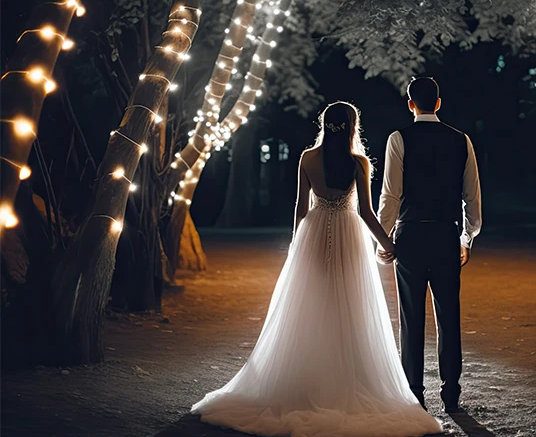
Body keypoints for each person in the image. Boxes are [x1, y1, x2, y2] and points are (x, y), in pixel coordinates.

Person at [192, 102, 442, 437]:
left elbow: (300, 205)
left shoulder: (308, 158)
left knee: (310, 304)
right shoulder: (358, 163)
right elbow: (366, 212)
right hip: (348, 235)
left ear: (325, 124)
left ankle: (308, 376)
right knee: (349, 305)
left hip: (314, 230)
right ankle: (343, 376)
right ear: (353, 126)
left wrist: (297, 243)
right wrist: (387, 243)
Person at [377, 77, 482, 414]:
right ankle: (451, 393)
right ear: (438, 103)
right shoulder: (461, 140)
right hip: (445, 235)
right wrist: (467, 236)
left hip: (409, 237)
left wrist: (383, 237)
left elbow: (390, 195)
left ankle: (415, 393)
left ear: (411, 104)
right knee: (448, 315)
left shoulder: (398, 139)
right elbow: (472, 197)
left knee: (411, 319)